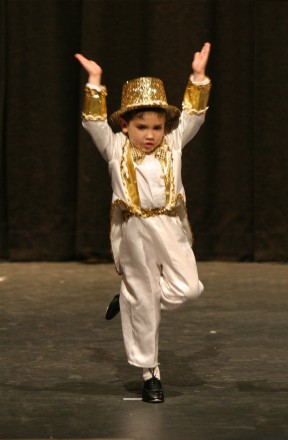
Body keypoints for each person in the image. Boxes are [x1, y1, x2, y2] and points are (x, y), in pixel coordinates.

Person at [75, 43, 211, 403]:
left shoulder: (173, 144)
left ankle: (130, 300)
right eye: (142, 127)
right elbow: (92, 122)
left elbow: (194, 114)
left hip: (168, 226)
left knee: (189, 288)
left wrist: (197, 77)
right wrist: (94, 82)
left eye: (157, 126)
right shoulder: (115, 147)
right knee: (144, 298)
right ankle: (151, 373)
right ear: (124, 125)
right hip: (134, 229)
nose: (150, 135)